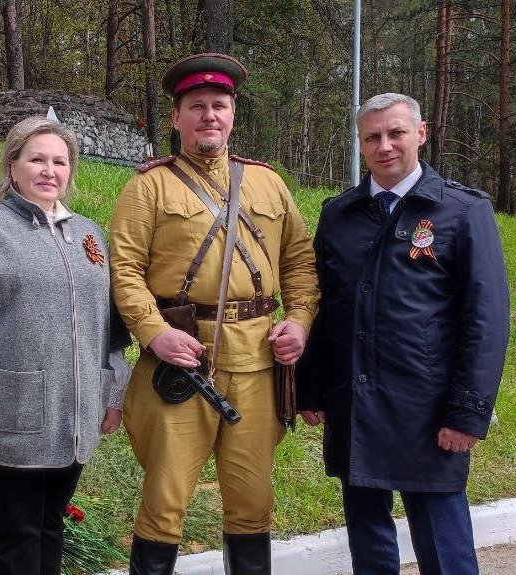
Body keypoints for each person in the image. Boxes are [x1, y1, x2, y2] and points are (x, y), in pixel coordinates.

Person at [109, 53, 318, 574]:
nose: (209, 115)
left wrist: (300, 322)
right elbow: (124, 271)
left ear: (232, 115)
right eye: (196, 106)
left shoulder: (269, 184)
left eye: (219, 105)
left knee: (252, 503)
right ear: (177, 118)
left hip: (258, 363)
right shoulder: (149, 187)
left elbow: (300, 265)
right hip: (180, 362)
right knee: (164, 501)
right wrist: (154, 333)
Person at [296, 93, 509, 575]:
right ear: (360, 143)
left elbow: (487, 321)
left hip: (429, 410)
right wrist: (310, 387)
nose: (385, 146)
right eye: (372, 136)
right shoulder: (339, 215)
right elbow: (324, 307)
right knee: (368, 542)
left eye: (396, 133)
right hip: (356, 402)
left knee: (444, 549)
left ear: (422, 133)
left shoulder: (462, 211)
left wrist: (468, 413)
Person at [0, 116, 131, 575]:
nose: (49, 170)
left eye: (59, 162)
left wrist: (111, 394)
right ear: (13, 165)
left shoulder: (88, 234)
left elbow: (108, 327)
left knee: (50, 528)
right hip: (12, 415)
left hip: (74, 418)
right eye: (37, 159)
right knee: (18, 537)